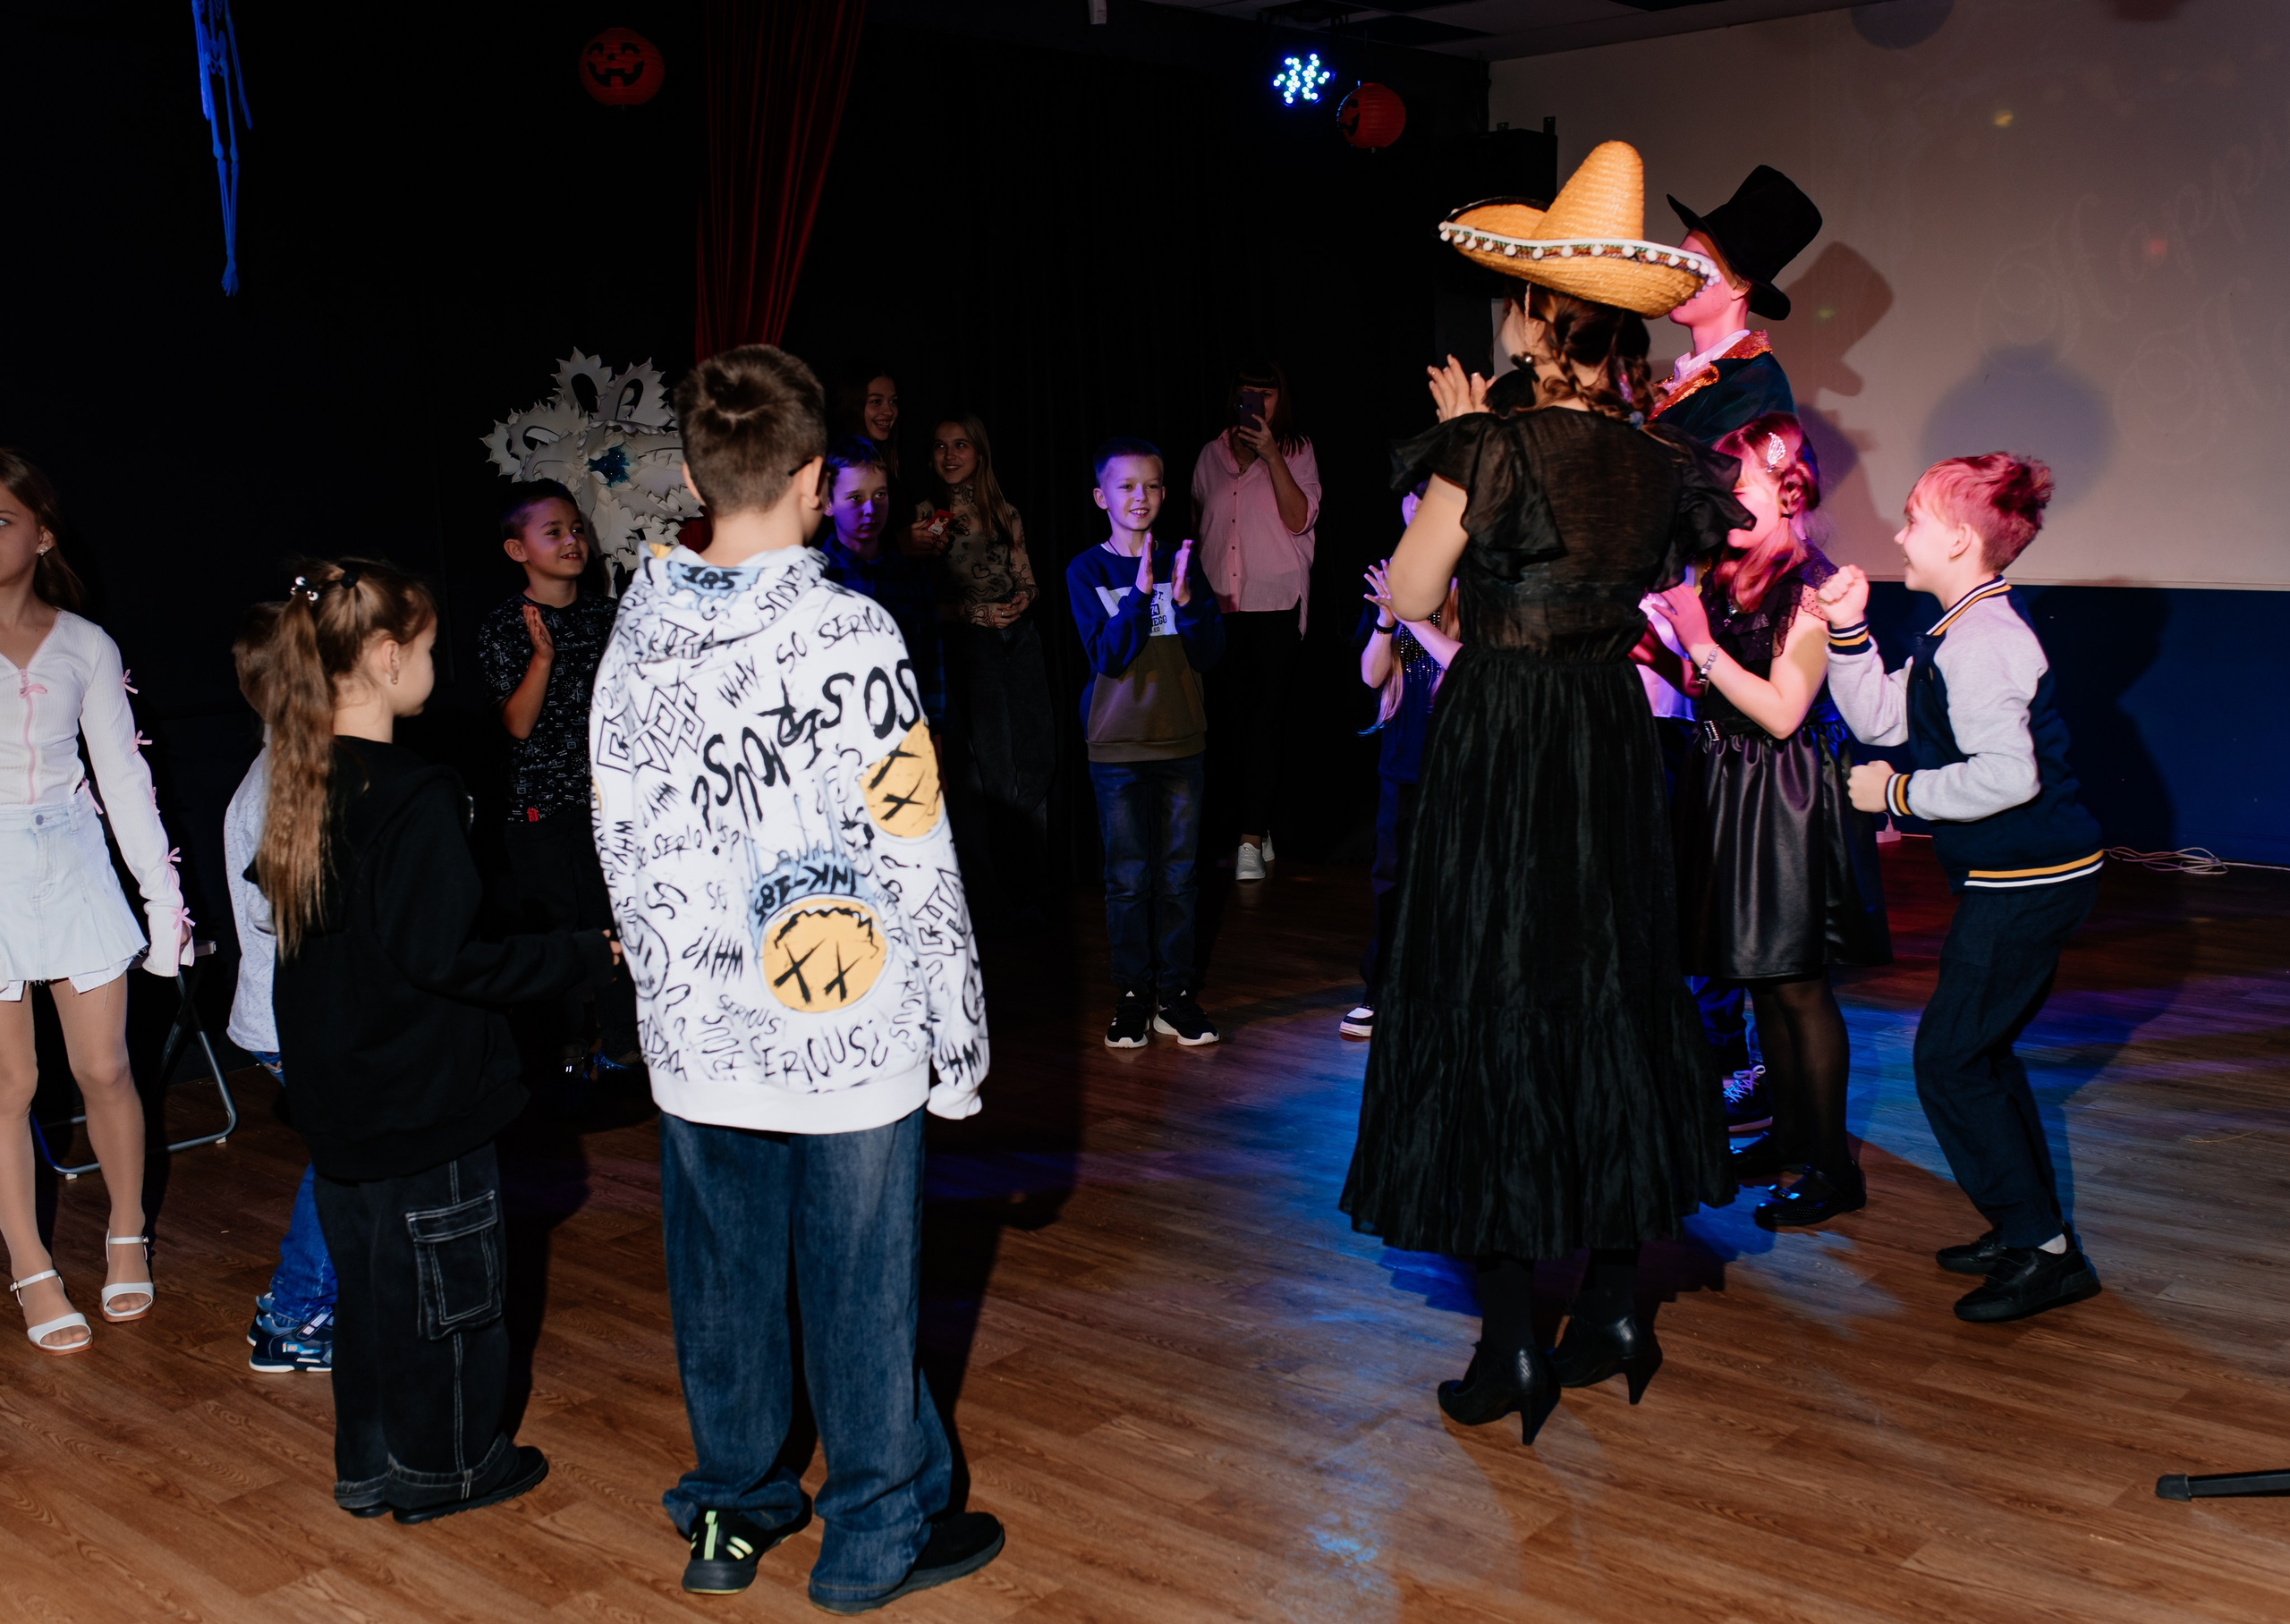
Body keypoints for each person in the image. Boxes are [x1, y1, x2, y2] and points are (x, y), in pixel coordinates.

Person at [1342, 141, 1751, 1443]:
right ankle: (1618, 1306)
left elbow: (1409, 597)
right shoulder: (1656, 462)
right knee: (1617, 995)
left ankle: (1514, 1340)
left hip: (1506, 736)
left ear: (1536, 317)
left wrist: (1465, 441)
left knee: (1493, 999)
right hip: (1605, 736)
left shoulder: (1497, 448)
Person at [589, 345, 1003, 1611]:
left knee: (722, 1289)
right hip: (848, 1027)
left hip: (702, 1031)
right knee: (862, 1288)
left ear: (693, 475)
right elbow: (913, 833)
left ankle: (731, 1507)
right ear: (818, 479)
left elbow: (620, 831)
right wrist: (959, 1032)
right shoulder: (848, 629)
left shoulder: (639, 623)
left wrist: (661, 994)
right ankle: (871, 1540)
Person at [257, 556, 618, 1520]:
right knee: (449, 1299)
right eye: (421, 647)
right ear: (381, 658)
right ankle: (448, 1469)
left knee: (374, 1296)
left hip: (343, 1109)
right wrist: (581, 952)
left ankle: (369, 1465)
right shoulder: (414, 794)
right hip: (424, 1099)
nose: (432, 663)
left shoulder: (304, 777)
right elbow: (449, 959)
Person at [1815, 453, 2105, 1324]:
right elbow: (1883, 720)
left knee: (1947, 1059)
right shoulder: (1956, 630)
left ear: (1954, 536)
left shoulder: (1985, 640)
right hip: (2015, 875)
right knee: (1974, 1053)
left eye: (1910, 518)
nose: (1898, 534)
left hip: (2031, 878)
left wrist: (1896, 794)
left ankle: (2043, 1248)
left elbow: (2006, 778)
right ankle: (2028, 1230)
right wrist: (1846, 632)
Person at [1643, 413, 1893, 1228]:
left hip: (1785, 797)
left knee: (1796, 988)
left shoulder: (1808, 585)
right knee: (1760, 985)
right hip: (1730, 787)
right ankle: (1791, 1138)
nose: (1724, 492)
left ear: (1788, 488)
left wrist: (1698, 643)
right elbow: (1716, 689)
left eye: (1737, 478)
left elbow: (1783, 713)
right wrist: (1663, 655)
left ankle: (1829, 1169)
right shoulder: (1728, 571)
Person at [0, 449, 188, 1355]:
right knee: (10, 1084)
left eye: (0, 519)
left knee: (104, 1067)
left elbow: (125, 781)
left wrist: (165, 909)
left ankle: (124, 1231)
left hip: (73, 863)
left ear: (40, 534)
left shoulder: (85, 644)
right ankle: (31, 1263)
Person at [477, 479, 640, 1081]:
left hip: (610, 807)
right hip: (539, 812)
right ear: (518, 550)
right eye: (554, 532)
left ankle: (624, 1045)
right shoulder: (504, 625)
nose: (573, 540)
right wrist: (542, 657)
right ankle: (565, 1048)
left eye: (576, 528)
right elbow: (516, 726)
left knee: (616, 922)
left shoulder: (609, 616)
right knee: (557, 931)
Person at [1068, 437, 1226, 1049]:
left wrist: (1186, 604)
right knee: (1129, 878)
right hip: (1116, 748)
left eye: (1152, 485)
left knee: (1180, 877)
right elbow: (1107, 654)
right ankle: (1133, 994)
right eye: (1127, 486)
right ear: (1100, 496)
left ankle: (1177, 995)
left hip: (1181, 741)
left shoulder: (1181, 558)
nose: (1141, 496)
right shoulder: (1086, 570)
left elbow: (1209, 654)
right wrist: (1139, 594)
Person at [225, 601, 338, 1374]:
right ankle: (293, 1317)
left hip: (291, 1014)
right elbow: (283, 916)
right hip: (291, 1018)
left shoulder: (294, 773)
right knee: (347, 1158)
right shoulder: (279, 790)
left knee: (353, 1154)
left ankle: (321, 1302)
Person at [918, 415, 1054, 922]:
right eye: (939, 446)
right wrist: (975, 615)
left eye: (960, 445)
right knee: (994, 771)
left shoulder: (1004, 511)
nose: (950, 455)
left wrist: (1021, 600)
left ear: (980, 452)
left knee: (1038, 758)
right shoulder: (930, 517)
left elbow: (1029, 580)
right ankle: (1006, 896)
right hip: (969, 644)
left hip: (1018, 639)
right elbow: (923, 600)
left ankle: (1033, 886)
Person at [1192, 359, 1320, 881]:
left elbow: (1300, 518)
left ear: (1278, 400)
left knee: (1266, 722)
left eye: (1267, 394)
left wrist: (1270, 456)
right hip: (1222, 606)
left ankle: (1249, 842)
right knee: (1229, 724)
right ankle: (1255, 824)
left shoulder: (1297, 450)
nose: (1258, 402)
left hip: (1275, 602)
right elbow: (1202, 522)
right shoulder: (1209, 455)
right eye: (1249, 393)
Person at [1341, 494, 1460, 1044]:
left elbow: (1463, 666)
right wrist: (1388, 621)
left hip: (1458, 763)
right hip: (1403, 762)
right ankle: (1381, 990)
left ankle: (1445, 991)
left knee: (1451, 882)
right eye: (1415, 502)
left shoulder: (1474, 585)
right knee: (1391, 881)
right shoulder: (1391, 583)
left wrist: (1411, 618)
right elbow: (1370, 677)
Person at [1650, 166, 1821, 442]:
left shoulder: (1755, 384)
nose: (1674, 275)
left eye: (1692, 264)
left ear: (1740, 284)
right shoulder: (1681, 383)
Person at [818, 436, 945, 726]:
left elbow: (931, 665)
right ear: (828, 503)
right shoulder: (815, 578)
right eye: (855, 498)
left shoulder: (911, 575)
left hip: (905, 729)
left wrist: (935, 737)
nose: (870, 510)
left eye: (880, 495)